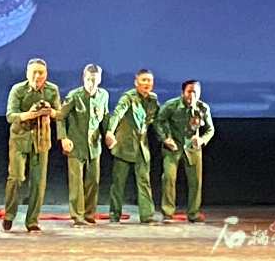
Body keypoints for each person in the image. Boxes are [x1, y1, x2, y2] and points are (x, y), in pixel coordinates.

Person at [3, 58, 62, 233]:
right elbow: (10, 115)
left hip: (41, 140)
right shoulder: (18, 90)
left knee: (38, 182)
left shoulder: (52, 90)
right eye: (34, 72)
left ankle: (32, 221)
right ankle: (9, 214)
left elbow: (60, 114)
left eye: (41, 73)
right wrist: (28, 114)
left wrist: (51, 112)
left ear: (46, 74)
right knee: (16, 177)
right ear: (27, 74)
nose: (37, 76)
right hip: (20, 139)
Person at [105, 68, 161, 224]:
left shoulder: (153, 99)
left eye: (149, 81)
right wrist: (110, 132)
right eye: (143, 80)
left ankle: (147, 215)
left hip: (142, 147)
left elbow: (157, 120)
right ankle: (114, 214)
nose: (147, 83)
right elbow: (117, 113)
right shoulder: (128, 97)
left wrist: (165, 138)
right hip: (124, 145)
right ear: (136, 82)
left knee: (144, 181)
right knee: (118, 183)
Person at [154, 80, 215, 223]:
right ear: (182, 93)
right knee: (168, 178)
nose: (192, 95)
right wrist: (165, 138)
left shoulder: (202, 108)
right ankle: (168, 212)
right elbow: (158, 121)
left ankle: (193, 213)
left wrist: (202, 139)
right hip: (173, 147)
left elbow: (210, 129)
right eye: (189, 92)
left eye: (195, 92)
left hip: (192, 149)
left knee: (196, 181)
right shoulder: (171, 105)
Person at [57, 64, 110, 227]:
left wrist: (109, 133)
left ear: (99, 79)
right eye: (88, 79)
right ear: (83, 78)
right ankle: (77, 215)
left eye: (94, 80)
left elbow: (104, 117)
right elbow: (60, 117)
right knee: (76, 183)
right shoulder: (74, 96)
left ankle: (89, 213)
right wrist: (63, 138)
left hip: (94, 146)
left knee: (93, 182)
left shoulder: (103, 95)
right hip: (76, 146)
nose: (91, 83)